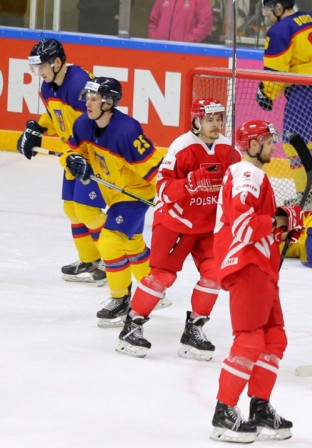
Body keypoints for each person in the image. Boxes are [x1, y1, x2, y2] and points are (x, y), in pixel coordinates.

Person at [116, 98, 238, 359]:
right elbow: (161, 188)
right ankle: (131, 327)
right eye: (209, 120)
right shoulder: (182, 147)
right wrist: (190, 184)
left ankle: (193, 330)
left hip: (208, 227)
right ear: (197, 121)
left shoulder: (229, 150)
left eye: (219, 119)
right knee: (163, 277)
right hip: (176, 223)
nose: (216, 125)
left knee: (215, 274)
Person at [210, 119, 303, 442]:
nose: (272, 146)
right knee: (250, 340)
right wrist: (280, 218)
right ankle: (224, 412)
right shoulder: (248, 174)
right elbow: (245, 226)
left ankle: (259, 407)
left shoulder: (251, 175)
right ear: (252, 144)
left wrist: (282, 225)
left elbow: (256, 225)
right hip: (247, 265)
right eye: (267, 141)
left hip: (261, 266)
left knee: (274, 338)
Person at [62, 77, 164, 327]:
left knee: (109, 241)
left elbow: (154, 168)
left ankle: (121, 299)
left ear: (108, 103)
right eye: (88, 97)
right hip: (113, 193)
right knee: (132, 243)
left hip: (135, 193)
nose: (88, 102)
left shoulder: (127, 130)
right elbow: (71, 151)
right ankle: (154, 290)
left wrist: (170, 195)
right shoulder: (83, 124)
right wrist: (72, 161)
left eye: (94, 98)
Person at [17, 38, 107, 284]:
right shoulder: (48, 87)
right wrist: (37, 127)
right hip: (73, 155)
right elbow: (54, 114)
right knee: (71, 208)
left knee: (88, 210)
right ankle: (91, 259)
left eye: (42, 67)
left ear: (57, 62)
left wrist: (87, 154)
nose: (39, 72)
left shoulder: (80, 85)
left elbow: (96, 119)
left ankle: (113, 261)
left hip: (92, 156)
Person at [256, 0, 312, 209]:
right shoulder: (311, 18)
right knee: (304, 142)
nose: (267, 14)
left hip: (304, 89)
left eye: (268, 9)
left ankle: (306, 195)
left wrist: (267, 93)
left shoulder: (278, 30)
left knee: (293, 142)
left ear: (278, 8)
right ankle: (308, 192)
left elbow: (276, 71)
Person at [148, 0, 214, 43]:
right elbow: (153, 21)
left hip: (185, 53)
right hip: (160, 50)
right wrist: (155, 39)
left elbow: (205, 24)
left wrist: (189, 41)